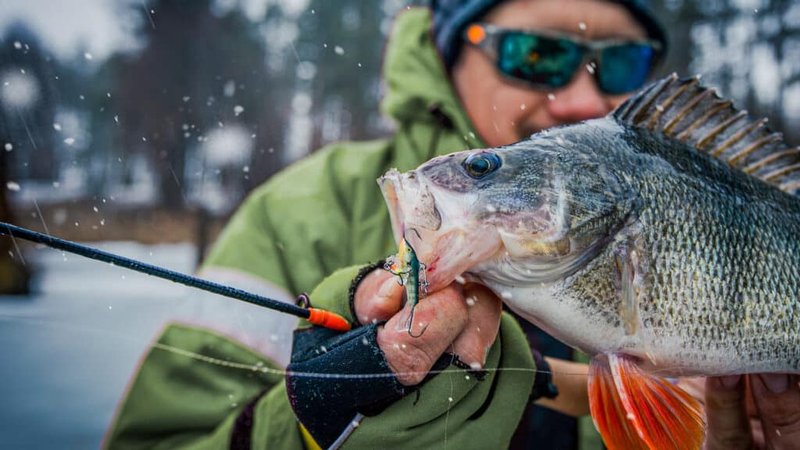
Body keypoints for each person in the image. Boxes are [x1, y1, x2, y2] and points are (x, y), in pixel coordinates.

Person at [103, 1, 800, 449]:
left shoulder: (682, 180)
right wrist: (307, 425)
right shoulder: (304, 211)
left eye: (619, 60)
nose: (582, 93)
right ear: (447, 49)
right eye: (538, 55)